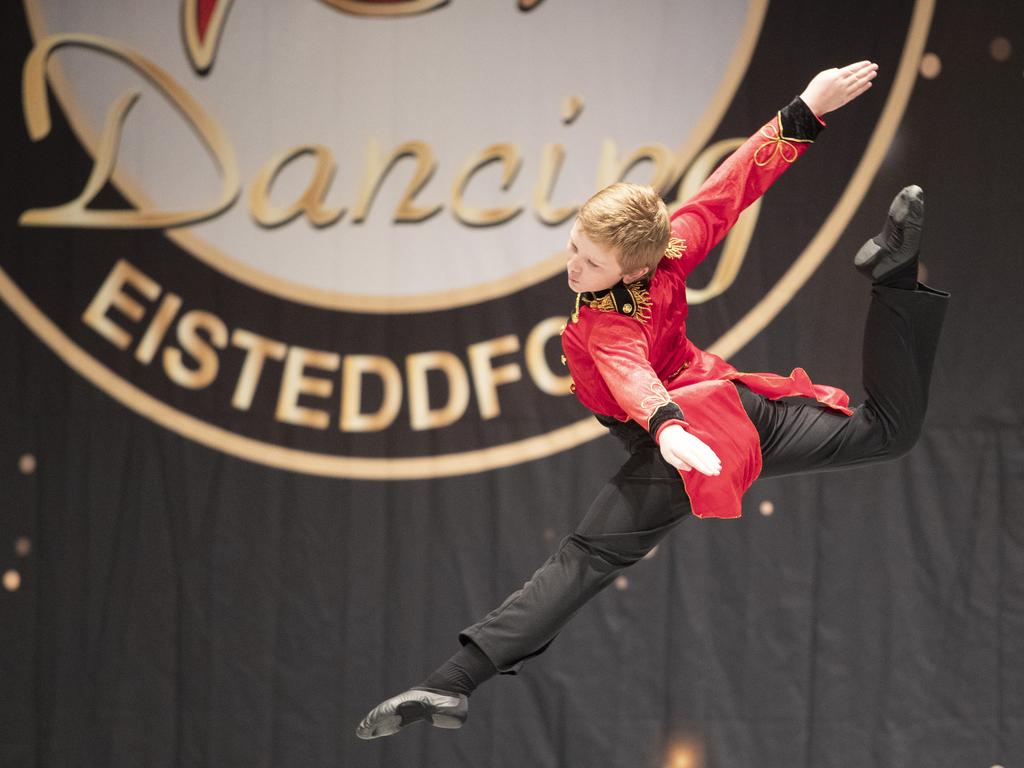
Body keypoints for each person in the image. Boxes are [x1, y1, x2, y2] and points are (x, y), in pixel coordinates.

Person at [355, 60, 948, 740]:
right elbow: (729, 188)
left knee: (585, 559)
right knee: (889, 431)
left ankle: (449, 686)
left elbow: (628, 369)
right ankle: (896, 281)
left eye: (591, 262)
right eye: (575, 247)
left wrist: (666, 426)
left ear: (636, 266)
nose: (573, 268)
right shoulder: (671, 251)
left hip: (685, 436)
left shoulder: (604, 321)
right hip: (731, 412)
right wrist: (804, 111)